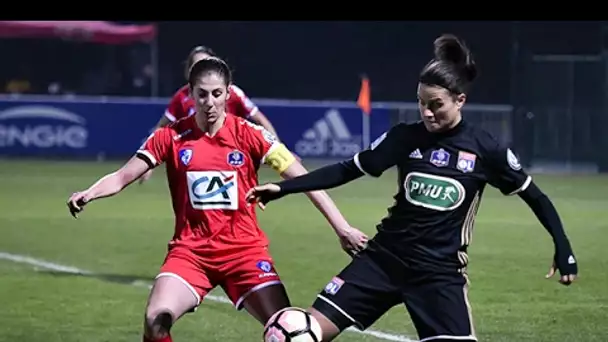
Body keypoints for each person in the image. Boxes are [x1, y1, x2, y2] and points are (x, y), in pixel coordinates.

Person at [247, 34, 579, 342]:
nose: (427, 112)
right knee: (297, 334)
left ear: (459, 100)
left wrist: (562, 245)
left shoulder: (485, 149)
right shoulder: (405, 137)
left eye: (436, 104)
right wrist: (284, 188)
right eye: (421, 103)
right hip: (382, 261)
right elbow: (346, 170)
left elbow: (536, 196)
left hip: (439, 273)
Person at [67, 56, 368, 342]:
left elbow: (307, 181)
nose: (209, 102)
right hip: (191, 253)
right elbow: (122, 176)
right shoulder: (170, 136)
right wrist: (89, 193)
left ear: (228, 94)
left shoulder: (251, 134)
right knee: (155, 319)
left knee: (287, 328)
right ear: (190, 94)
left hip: (245, 254)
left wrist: (342, 228)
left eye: (216, 94)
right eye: (202, 94)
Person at [139, 45, 282, 184]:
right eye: (196, 66)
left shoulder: (232, 93)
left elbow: (261, 120)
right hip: (195, 161)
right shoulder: (181, 97)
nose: (209, 102)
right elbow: (161, 128)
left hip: (231, 159)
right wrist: (149, 161)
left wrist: (279, 151)